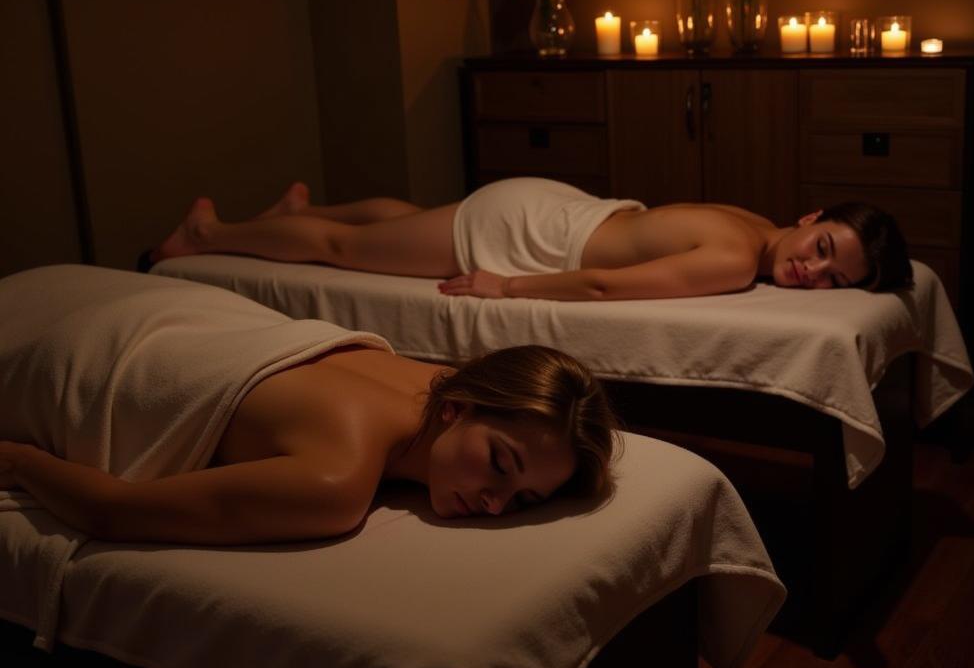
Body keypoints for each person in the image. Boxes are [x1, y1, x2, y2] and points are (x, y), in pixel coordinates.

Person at [0, 307, 618, 547]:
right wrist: (16, 461)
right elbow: (114, 512)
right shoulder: (336, 482)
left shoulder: (438, 377)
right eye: (501, 464)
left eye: (523, 499)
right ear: (458, 408)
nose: (494, 503)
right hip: (65, 347)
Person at [150, 176, 913, 301]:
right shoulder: (736, 259)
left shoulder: (757, 223)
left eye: (832, 281)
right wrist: (508, 285)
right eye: (822, 250)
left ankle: (287, 209)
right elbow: (605, 287)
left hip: (558, 208)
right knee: (343, 252)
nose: (809, 273)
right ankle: (209, 235)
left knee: (398, 219)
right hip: (526, 232)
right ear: (813, 220)